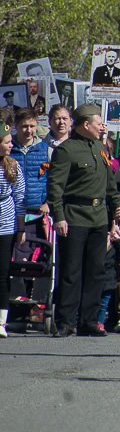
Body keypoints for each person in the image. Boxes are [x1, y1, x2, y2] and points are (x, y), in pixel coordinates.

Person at [46, 104, 118, 337]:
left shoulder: (99, 148)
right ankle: (66, 321)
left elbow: (109, 183)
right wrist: (59, 216)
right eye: (98, 123)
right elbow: (55, 186)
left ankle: (89, 320)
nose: (102, 127)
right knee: (71, 271)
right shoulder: (66, 150)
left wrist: (116, 210)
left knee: (96, 270)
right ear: (86, 125)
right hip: (75, 216)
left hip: (99, 218)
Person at [0, 123, 27, 338]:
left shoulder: (12, 166)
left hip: (6, 225)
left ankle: (1, 320)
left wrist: (21, 228)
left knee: (2, 273)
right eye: (7, 142)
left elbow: (19, 198)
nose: (11, 145)